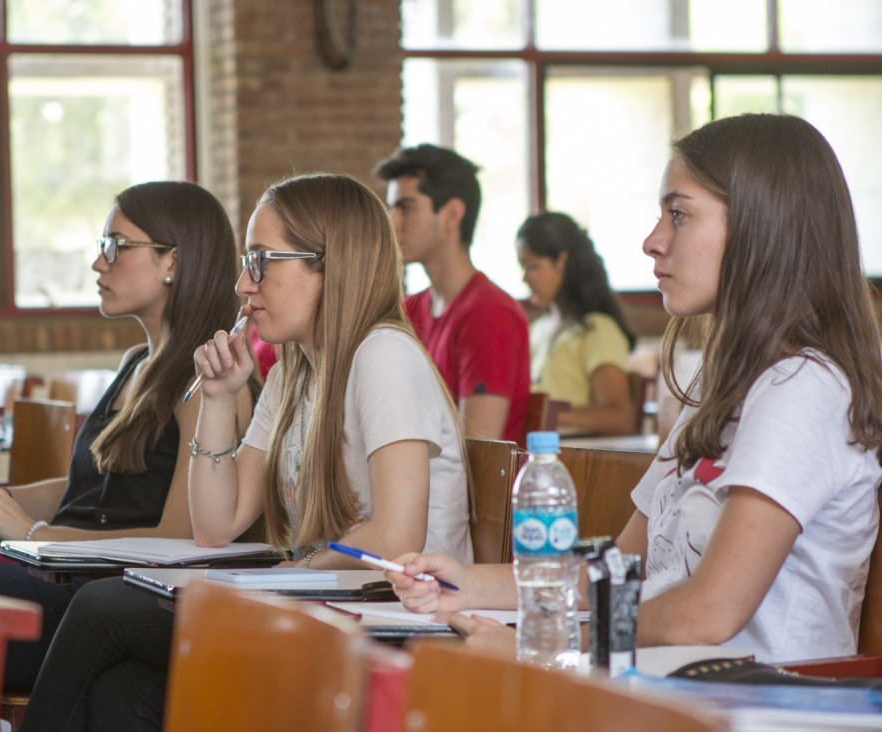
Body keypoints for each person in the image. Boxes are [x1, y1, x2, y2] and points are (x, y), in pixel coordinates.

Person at [387, 113, 882, 665]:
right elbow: (617, 571)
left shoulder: (803, 388)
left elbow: (709, 612)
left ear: (762, 227)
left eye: (679, 214)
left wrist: (543, 648)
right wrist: (467, 583)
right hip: (669, 687)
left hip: (751, 706)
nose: (652, 241)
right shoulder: (722, 389)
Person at [19, 172, 472, 731]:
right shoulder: (294, 372)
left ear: (331, 265)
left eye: (261, 261)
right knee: (125, 690)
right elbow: (217, 526)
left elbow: (395, 539)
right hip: (328, 604)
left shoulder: (383, 355)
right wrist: (216, 399)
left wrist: (291, 569)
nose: (242, 285)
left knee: (102, 608)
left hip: (396, 626)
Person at [0, 181, 255, 690]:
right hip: (48, 571)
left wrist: (28, 531)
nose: (98, 264)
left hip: (92, 598)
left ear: (172, 260)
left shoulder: (211, 382)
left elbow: (177, 540)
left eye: (116, 246)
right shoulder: (136, 362)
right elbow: (82, 489)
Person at [374, 143, 532, 443]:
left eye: (405, 207)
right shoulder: (406, 309)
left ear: (451, 215)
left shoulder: (489, 313)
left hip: (467, 488)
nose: (392, 222)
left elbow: (477, 448)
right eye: (391, 208)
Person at [516, 212, 637, 435]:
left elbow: (621, 418)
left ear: (561, 261)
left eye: (532, 266)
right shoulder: (537, 330)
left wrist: (544, 413)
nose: (525, 278)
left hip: (573, 458)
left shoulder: (596, 329)